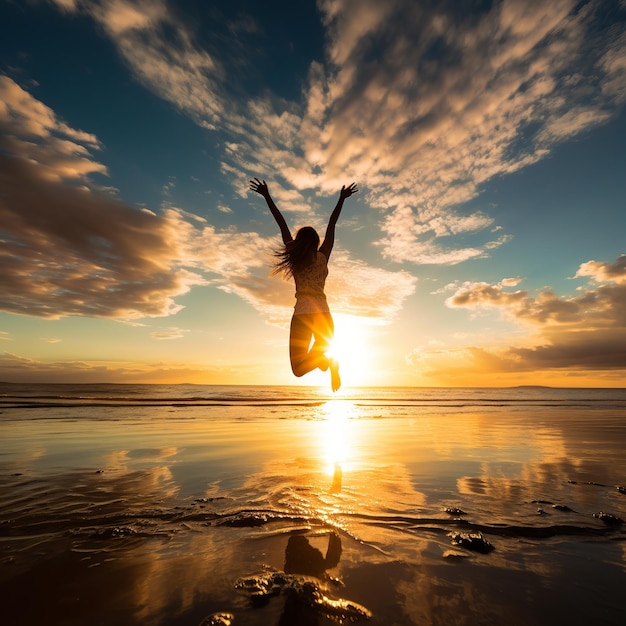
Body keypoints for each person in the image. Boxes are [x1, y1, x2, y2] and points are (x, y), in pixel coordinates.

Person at [249, 178, 358, 391]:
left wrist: (267, 196)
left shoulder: (296, 258)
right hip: (324, 316)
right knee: (317, 357)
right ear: (316, 241)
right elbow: (332, 224)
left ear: (299, 241)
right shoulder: (323, 256)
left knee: (298, 369)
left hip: (302, 316)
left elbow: (281, 223)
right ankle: (327, 361)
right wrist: (341, 199)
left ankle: (324, 361)